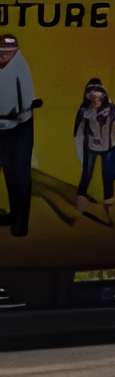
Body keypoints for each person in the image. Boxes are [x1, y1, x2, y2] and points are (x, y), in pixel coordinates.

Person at [72, 80, 115, 208]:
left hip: (107, 147)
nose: (95, 100)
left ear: (103, 95)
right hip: (90, 147)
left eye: (98, 96)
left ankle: (109, 200)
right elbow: (78, 133)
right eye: (92, 96)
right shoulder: (84, 111)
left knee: (108, 172)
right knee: (87, 172)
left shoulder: (112, 108)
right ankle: (81, 196)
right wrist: (80, 154)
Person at [0, 34, 32, 238]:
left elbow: (27, 95)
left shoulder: (21, 67)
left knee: (18, 176)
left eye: (10, 52)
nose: (5, 55)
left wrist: (21, 112)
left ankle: (19, 222)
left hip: (18, 129)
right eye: (2, 51)